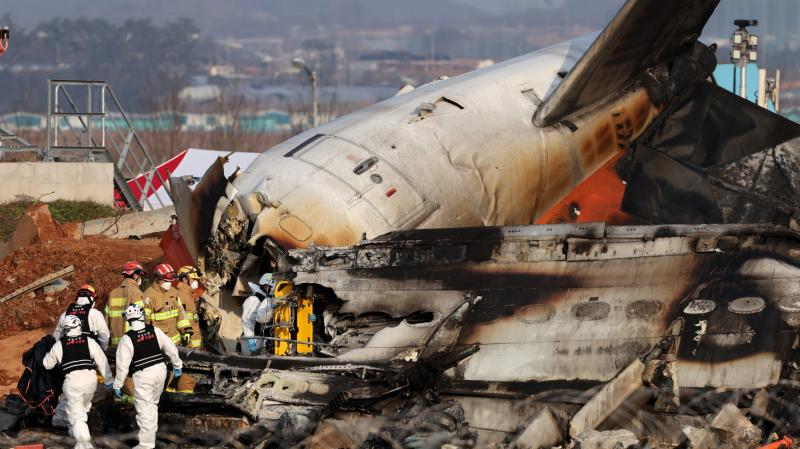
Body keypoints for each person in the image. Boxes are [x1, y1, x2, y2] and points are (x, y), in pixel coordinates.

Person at [113, 304, 182, 449]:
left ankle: (146, 445)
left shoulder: (127, 338)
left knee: (145, 410)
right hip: (160, 371)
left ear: (128, 320)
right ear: (141, 316)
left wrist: (118, 384)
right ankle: (151, 438)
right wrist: (177, 365)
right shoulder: (154, 330)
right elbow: (170, 347)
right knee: (152, 406)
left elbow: (122, 366)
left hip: (144, 375)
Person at [43, 315, 114, 449]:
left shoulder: (60, 345)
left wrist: (46, 352)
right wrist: (109, 380)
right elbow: (102, 360)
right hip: (90, 382)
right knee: (78, 407)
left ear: (65, 329)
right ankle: (65, 427)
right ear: (79, 326)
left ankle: (84, 445)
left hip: (73, 383)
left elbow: (47, 364)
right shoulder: (88, 341)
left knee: (77, 417)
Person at [142, 264, 191, 345]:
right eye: (166, 281)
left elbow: (181, 313)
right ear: (157, 278)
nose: (169, 283)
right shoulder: (148, 296)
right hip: (160, 345)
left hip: (176, 344)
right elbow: (144, 322)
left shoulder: (173, 292)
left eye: (170, 281)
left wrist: (186, 331)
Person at [54, 284, 110, 351]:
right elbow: (104, 336)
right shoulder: (95, 314)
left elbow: (57, 337)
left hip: (68, 354)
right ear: (92, 299)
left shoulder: (65, 314)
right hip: (89, 356)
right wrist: (102, 349)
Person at [106, 261, 147, 348]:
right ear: (135, 275)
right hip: (133, 343)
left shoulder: (112, 293)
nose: (141, 278)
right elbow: (143, 318)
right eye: (140, 275)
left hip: (115, 344)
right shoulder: (136, 293)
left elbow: (106, 319)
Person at [241, 273, 276, 355]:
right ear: (264, 285)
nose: (270, 289)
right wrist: (250, 338)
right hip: (252, 340)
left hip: (263, 340)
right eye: (269, 286)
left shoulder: (270, 300)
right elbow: (246, 320)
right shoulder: (254, 299)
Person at [175, 266, 203, 349]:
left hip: (195, 346)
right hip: (189, 348)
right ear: (184, 279)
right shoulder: (181, 296)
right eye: (193, 280)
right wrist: (188, 345)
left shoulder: (188, 295)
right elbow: (181, 322)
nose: (196, 282)